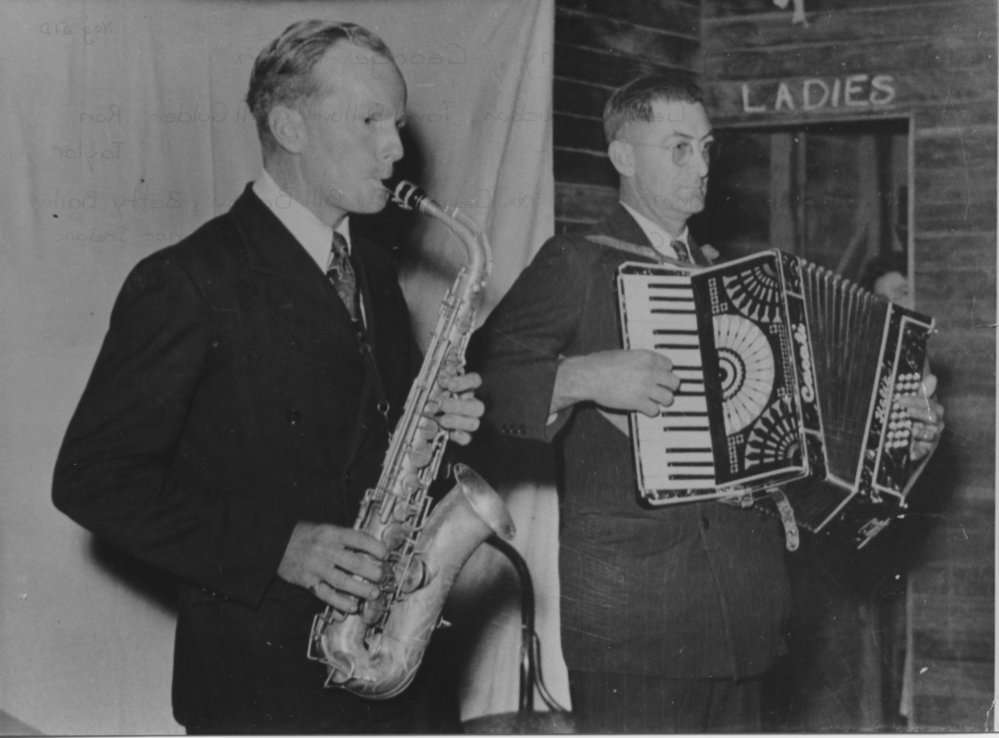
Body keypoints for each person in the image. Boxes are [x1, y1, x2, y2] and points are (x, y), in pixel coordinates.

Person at [467, 73, 945, 733]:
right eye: (679, 148)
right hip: (636, 620)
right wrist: (579, 377)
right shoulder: (576, 262)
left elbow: (799, 438)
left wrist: (897, 437)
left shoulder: (739, 281)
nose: (701, 166)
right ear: (623, 156)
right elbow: (476, 383)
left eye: (706, 147)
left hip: (745, 611)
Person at [52, 20, 483, 734]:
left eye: (397, 124)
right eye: (370, 120)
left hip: (395, 679)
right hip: (263, 685)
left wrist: (438, 420)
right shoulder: (188, 279)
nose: (395, 148)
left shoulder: (373, 271)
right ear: (289, 126)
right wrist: (278, 546)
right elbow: (92, 479)